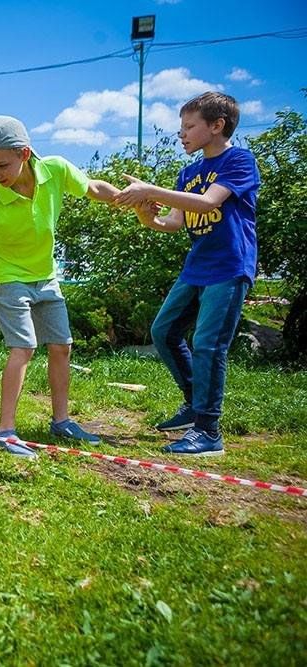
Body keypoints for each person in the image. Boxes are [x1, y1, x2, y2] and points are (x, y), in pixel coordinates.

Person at [0, 116, 120, 457]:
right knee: (24, 349)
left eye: (2, 165)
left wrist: (126, 198)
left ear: (25, 153)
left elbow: (92, 188)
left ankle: (61, 421)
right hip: (7, 278)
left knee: (62, 345)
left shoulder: (56, 170)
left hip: (45, 275)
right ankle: (6, 432)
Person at [114, 92, 260, 457]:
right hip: (196, 268)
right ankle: (194, 404)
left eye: (189, 126)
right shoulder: (189, 172)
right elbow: (172, 223)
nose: (182, 134)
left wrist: (151, 188)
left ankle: (208, 431)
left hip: (229, 266)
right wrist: (145, 211)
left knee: (209, 344)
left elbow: (209, 203)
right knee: (163, 331)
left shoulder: (239, 161)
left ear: (217, 126)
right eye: (181, 127)